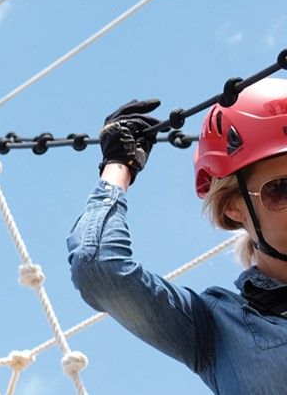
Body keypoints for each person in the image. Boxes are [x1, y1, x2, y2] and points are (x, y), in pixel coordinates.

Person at [68, 79, 287, 393]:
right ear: (234, 207)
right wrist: (119, 165)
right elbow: (98, 267)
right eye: (281, 188)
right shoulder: (219, 329)